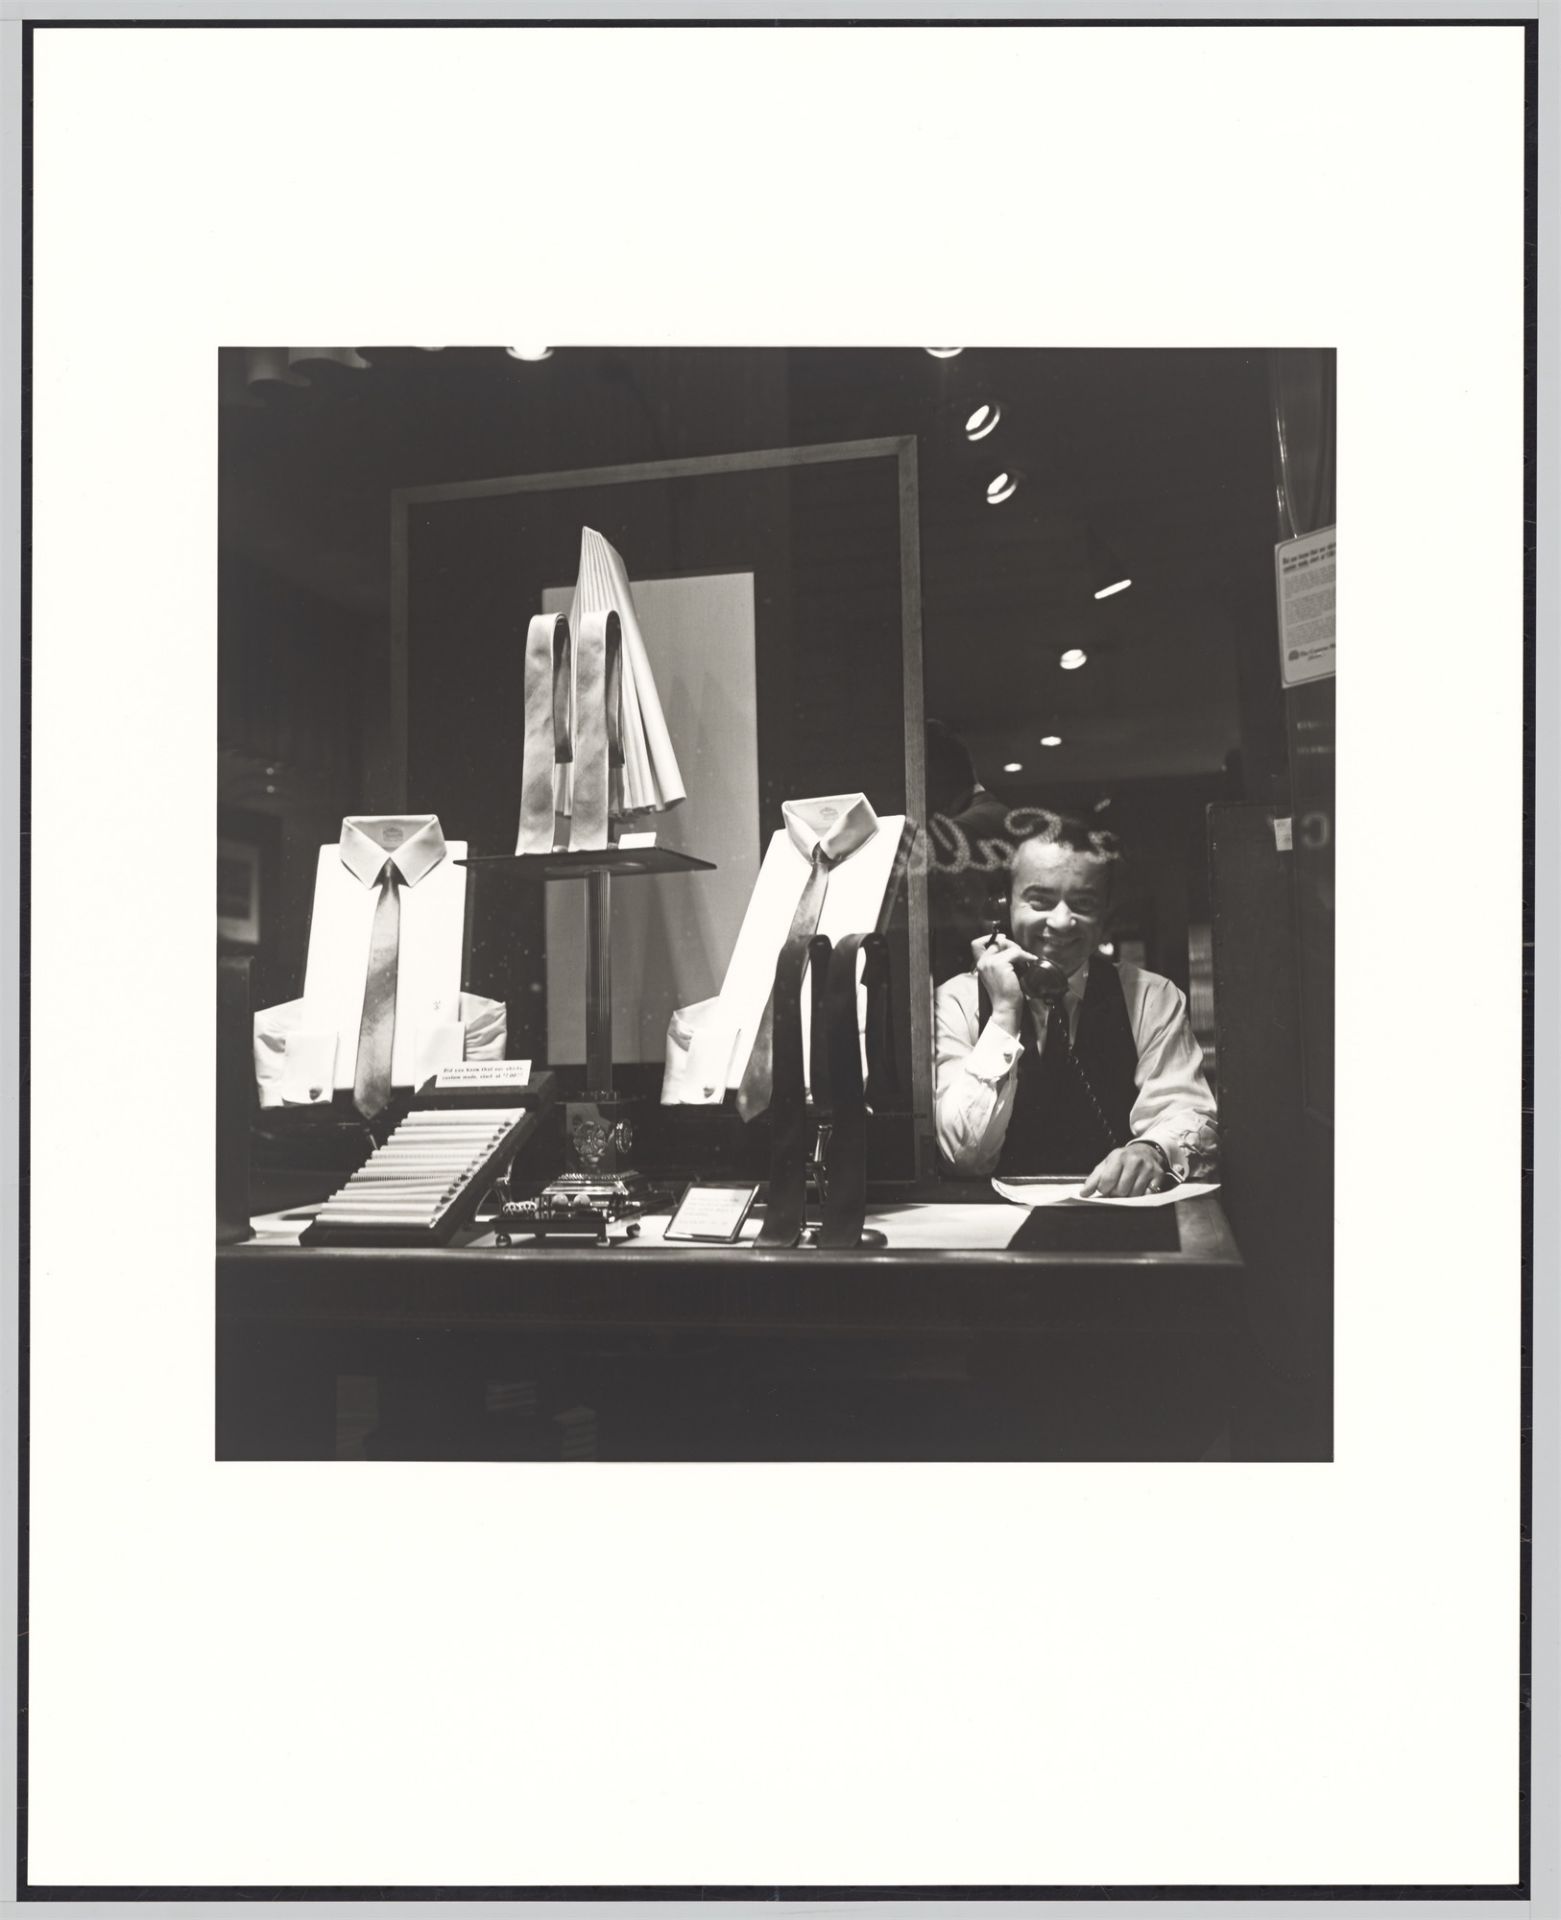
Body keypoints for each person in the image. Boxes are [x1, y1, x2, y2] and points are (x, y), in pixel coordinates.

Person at [933, 814, 1217, 1195]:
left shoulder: (1152, 997)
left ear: (1103, 916)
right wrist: (1003, 1015)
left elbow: (1188, 1110)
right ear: (1004, 906)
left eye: (1083, 903)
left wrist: (1153, 1150)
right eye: (1041, 900)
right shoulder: (957, 1001)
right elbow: (964, 1156)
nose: (1063, 921)